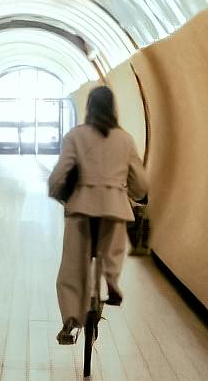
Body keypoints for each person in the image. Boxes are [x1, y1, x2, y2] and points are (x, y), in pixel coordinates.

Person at [48, 86, 149, 354]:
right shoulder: (125, 140)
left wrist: (57, 191)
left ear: (89, 108)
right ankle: (112, 283)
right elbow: (140, 181)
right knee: (114, 249)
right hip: (114, 206)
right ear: (113, 108)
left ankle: (70, 319)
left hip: (81, 206)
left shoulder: (75, 136)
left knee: (72, 262)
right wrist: (135, 194)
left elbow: (61, 174)